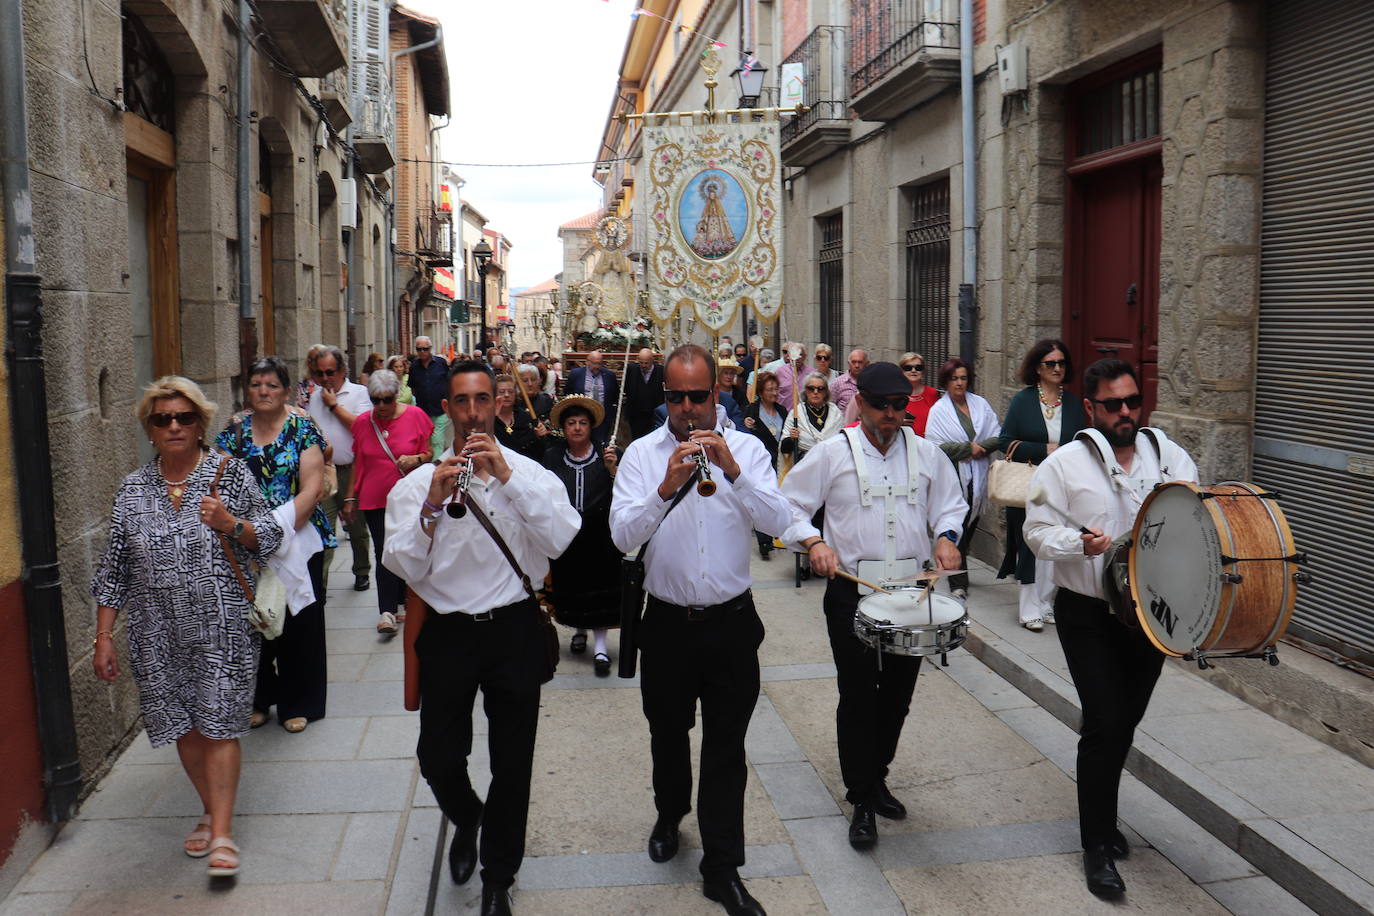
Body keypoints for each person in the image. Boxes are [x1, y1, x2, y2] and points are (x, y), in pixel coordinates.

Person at [382, 360, 579, 916]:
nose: (473, 413)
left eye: (482, 400)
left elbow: (562, 539)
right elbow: (402, 565)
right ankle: (469, 816)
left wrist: (508, 480)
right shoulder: (417, 485)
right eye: (462, 402)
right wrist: (430, 505)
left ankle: (499, 877)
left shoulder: (529, 473)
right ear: (446, 409)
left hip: (513, 628)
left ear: (499, 405)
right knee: (438, 758)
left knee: (512, 763)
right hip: (448, 634)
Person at [611, 344, 791, 916]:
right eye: (675, 397)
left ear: (717, 393)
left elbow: (779, 521)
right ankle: (670, 813)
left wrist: (733, 472)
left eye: (696, 395)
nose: (686, 408)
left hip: (732, 624)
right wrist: (664, 488)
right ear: (664, 397)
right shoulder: (642, 455)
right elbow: (621, 537)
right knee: (667, 733)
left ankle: (722, 868)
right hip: (667, 624)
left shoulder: (749, 450)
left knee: (726, 749)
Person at [93, 376, 282, 877]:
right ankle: (209, 808)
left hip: (223, 627)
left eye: (184, 417)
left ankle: (221, 831)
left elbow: (269, 535)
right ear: (149, 429)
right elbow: (114, 570)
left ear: (201, 424)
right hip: (156, 633)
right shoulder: (133, 489)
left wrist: (230, 524)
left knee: (219, 725)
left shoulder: (229, 474)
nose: (174, 426)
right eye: (163, 419)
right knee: (184, 727)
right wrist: (104, 637)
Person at [1025, 358, 1198, 900]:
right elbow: (1036, 532)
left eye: (1132, 401)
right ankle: (1096, 844)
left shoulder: (1170, 457)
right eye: (1113, 404)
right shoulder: (1063, 465)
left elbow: (1196, 521)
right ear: (1090, 407)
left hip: (1149, 614)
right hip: (1088, 612)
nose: (1125, 412)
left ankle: (1104, 815)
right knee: (1104, 721)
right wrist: (1078, 543)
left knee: (1125, 722)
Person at [781, 362, 967, 851]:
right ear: (860, 402)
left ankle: (877, 775)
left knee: (897, 696)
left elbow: (951, 504)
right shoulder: (832, 453)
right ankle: (861, 797)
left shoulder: (927, 454)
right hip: (852, 593)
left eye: (898, 405)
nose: (890, 413)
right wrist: (813, 541)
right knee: (859, 696)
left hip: (910, 595)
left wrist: (947, 536)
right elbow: (790, 505)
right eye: (881, 404)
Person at [216, 357, 332, 734]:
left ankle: (299, 702)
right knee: (255, 621)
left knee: (300, 622)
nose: (263, 391)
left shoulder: (302, 429)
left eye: (272, 385)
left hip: (298, 536)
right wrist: (248, 533)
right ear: (246, 391)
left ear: (285, 391)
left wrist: (275, 532)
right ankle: (259, 698)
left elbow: (311, 488)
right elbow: (220, 485)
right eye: (256, 385)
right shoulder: (233, 434)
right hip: (245, 541)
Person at [998, 340, 1087, 630]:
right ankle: (1029, 609)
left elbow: (1083, 441)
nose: (1057, 368)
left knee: (1057, 540)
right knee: (1029, 545)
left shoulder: (1073, 403)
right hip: (1029, 484)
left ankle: (1047, 603)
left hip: (1063, 485)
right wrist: (1043, 449)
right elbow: (1004, 441)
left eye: (1061, 363)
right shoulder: (1022, 401)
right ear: (1038, 368)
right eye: (1051, 363)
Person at [344, 369, 434, 635]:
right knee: (384, 551)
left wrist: (416, 459)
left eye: (387, 399)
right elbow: (358, 461)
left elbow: (430, 453)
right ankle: (387, 611)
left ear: (397, 395)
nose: (381, 406)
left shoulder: (416, 416)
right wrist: (350, 496)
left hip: (408, 498)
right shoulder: (363, 422)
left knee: (408, 548)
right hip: (375, 498)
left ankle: (404, 599)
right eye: (376, 400)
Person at [543, 396, 621, 676]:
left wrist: (613, 470)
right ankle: (579, 631)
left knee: (598, 590)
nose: (577, 428)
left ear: (591, 427)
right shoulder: (552, 456)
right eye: (572, 423)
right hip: (567, 534)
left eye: (583, 423)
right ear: (563, 428)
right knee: (573, 587)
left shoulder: (607, 454)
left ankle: (600, 648)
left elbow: (625, 491)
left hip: (599, 535)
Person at [925, 358, 1001, 600]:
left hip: (979, 476)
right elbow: (936, 446)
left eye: (963, 378)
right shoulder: (939, 411)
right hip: (954, 476)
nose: (959, 383)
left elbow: (998, 435)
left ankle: (957, 562)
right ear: (946, 382)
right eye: (954, 379)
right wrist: (968, 449)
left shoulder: (981, 405)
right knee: (956, 523)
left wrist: (981, 448)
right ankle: (958, 583)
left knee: (969, 524)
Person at [307, 346, 373, 592]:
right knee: (324, 528)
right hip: (323, 471)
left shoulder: (359, 393)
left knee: (356, 525)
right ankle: (321, 584)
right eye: (319, 373)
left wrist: (334, 406)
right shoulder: (315, 397)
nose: (325, 378)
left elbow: (361, 428)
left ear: (343, 370)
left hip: (351, 470)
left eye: (330, 372)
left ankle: (361, 570)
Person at [742, 371, 786, 560]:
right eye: (770, 390)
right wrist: (746, 424)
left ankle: (779, 533)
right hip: (761, 461)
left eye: (776, 389)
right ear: (761, 392)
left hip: (780, 460)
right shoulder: (752, 410)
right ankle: (764, 540)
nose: (774, 393)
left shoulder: (782, 411)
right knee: (762, 497)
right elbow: (743, 433)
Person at [779, 371, 844, 464]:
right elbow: (784, 448)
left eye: (820, 389)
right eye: (811, 388)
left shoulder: (835, 412)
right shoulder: (796, 413)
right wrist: (791, 438)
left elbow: (842, 441)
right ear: (805, 391)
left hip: (832, 462)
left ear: (826, 392)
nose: (815, 392)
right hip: (805, 463)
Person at [408, 335, 451, 458]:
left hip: (440, 409)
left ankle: (436, 464)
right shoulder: (414, 366)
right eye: (419, 349)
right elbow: (413, 388)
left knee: (437, 438)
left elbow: (449, 382)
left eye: (425, 349)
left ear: (430, 348)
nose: (422, 352)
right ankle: (426, 462)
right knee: (425, 440)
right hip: (423, 410)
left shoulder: (441, 363)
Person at [565, 349, 619, 444]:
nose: (597, 366)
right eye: (594, 363)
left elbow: (615, 395)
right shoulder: (576, 374)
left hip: (602, 418)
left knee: (600, 443)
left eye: (599, 364)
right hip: (581, 417)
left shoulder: (609, 376)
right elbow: (568, 392)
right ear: (587, 362)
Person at [493, 374, 551, 461]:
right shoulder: (488, 419)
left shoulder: (526, 418)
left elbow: (539, 451)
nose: (506, 395)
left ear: (515, 394)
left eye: (510, 391)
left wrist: (539, 436)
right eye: (501, 392)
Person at [623, 347, 665, 441]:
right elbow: (627, 388)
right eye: (641, 362)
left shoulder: (661, 371)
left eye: (646, 363)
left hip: (654, 415)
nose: (643, 365)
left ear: (652, 360)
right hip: (636, 415)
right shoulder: (631, 370)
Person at [773, 343, 813, 412]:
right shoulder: (780, 372)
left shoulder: (812, 373)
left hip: (805, 414)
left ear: (805, 356)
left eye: (800, 354)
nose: (797, 358)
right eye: (794, 353)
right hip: (784, 413)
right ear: (789, 355)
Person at [828, 349, 868, 413]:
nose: (857, 365)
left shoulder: (871, 383)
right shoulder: (837, 383)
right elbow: (830, 407)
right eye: (853, 362)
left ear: (866, 364)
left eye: (860, 362)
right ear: (849, 364)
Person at [716, 363, 746, 430]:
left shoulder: (740, 393)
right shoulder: (713, 393)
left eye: (732, 373)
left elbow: (745, 411)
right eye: (726, 373)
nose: (729, 377)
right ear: (719, 375)